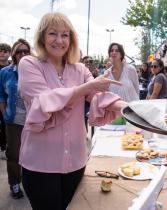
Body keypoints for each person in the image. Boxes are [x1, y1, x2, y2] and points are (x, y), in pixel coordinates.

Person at [18, 12, 127, 210]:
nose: (59, 40)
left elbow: (97, 96)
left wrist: (129, 109)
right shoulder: (29, 64)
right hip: (40, 165)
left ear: (71, 39)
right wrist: (86, 87)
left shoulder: (80, 70)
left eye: (65, 35)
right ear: (42, 37)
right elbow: (44, 101)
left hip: (75, 162)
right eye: (53, 34)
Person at [0, 39, 31, 199]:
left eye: (26, 51)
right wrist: (5, 114)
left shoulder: (35, 70)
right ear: (14, 54)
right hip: (13, 121)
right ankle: (15, 184)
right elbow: (1, 96)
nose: (23, 54)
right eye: (19, 51)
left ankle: (31, 183)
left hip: (34, 122)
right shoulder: (5, 72)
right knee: (14, 154)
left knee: (33, 154)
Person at [0, 42, 11, 160]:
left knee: (5, 125)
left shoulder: (11, 68)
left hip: (7, 103)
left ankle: (4, 148)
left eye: (5, 51)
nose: (2, 53)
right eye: (0, 51)